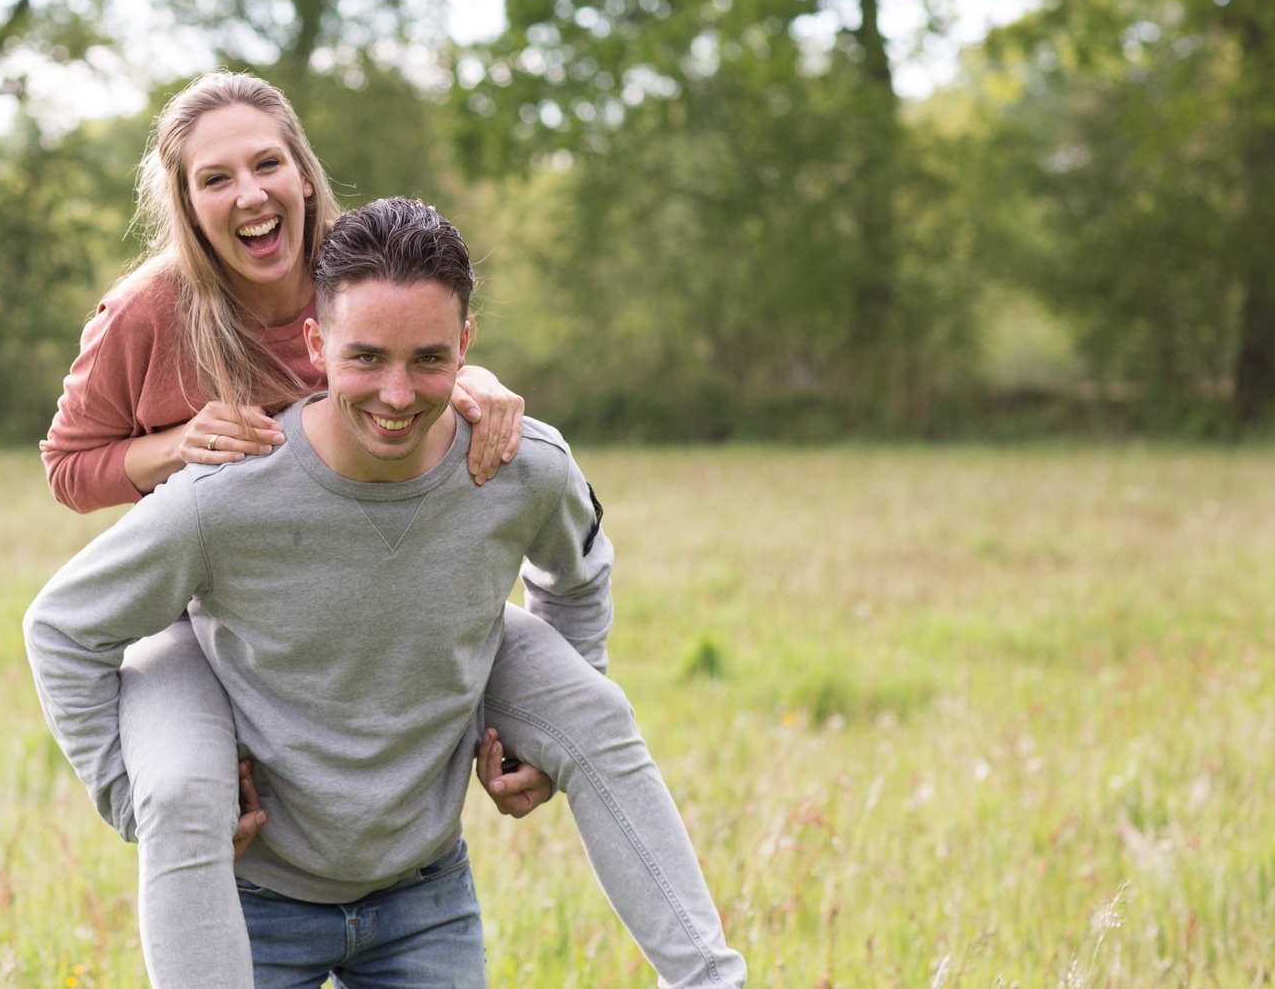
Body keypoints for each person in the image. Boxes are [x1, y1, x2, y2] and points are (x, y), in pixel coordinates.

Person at [38, 73, 746, 987]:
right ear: (184, 201)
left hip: (414, 559)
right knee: (178, 791)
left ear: (303, 174)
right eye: (215, 179)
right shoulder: (149, 312)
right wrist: (175, 444)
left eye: (268, 165)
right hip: (219, 594)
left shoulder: (358, 263)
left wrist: (475, 384)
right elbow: (66, 468)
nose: (249, 194)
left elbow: (410, 340)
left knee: (595, 711)